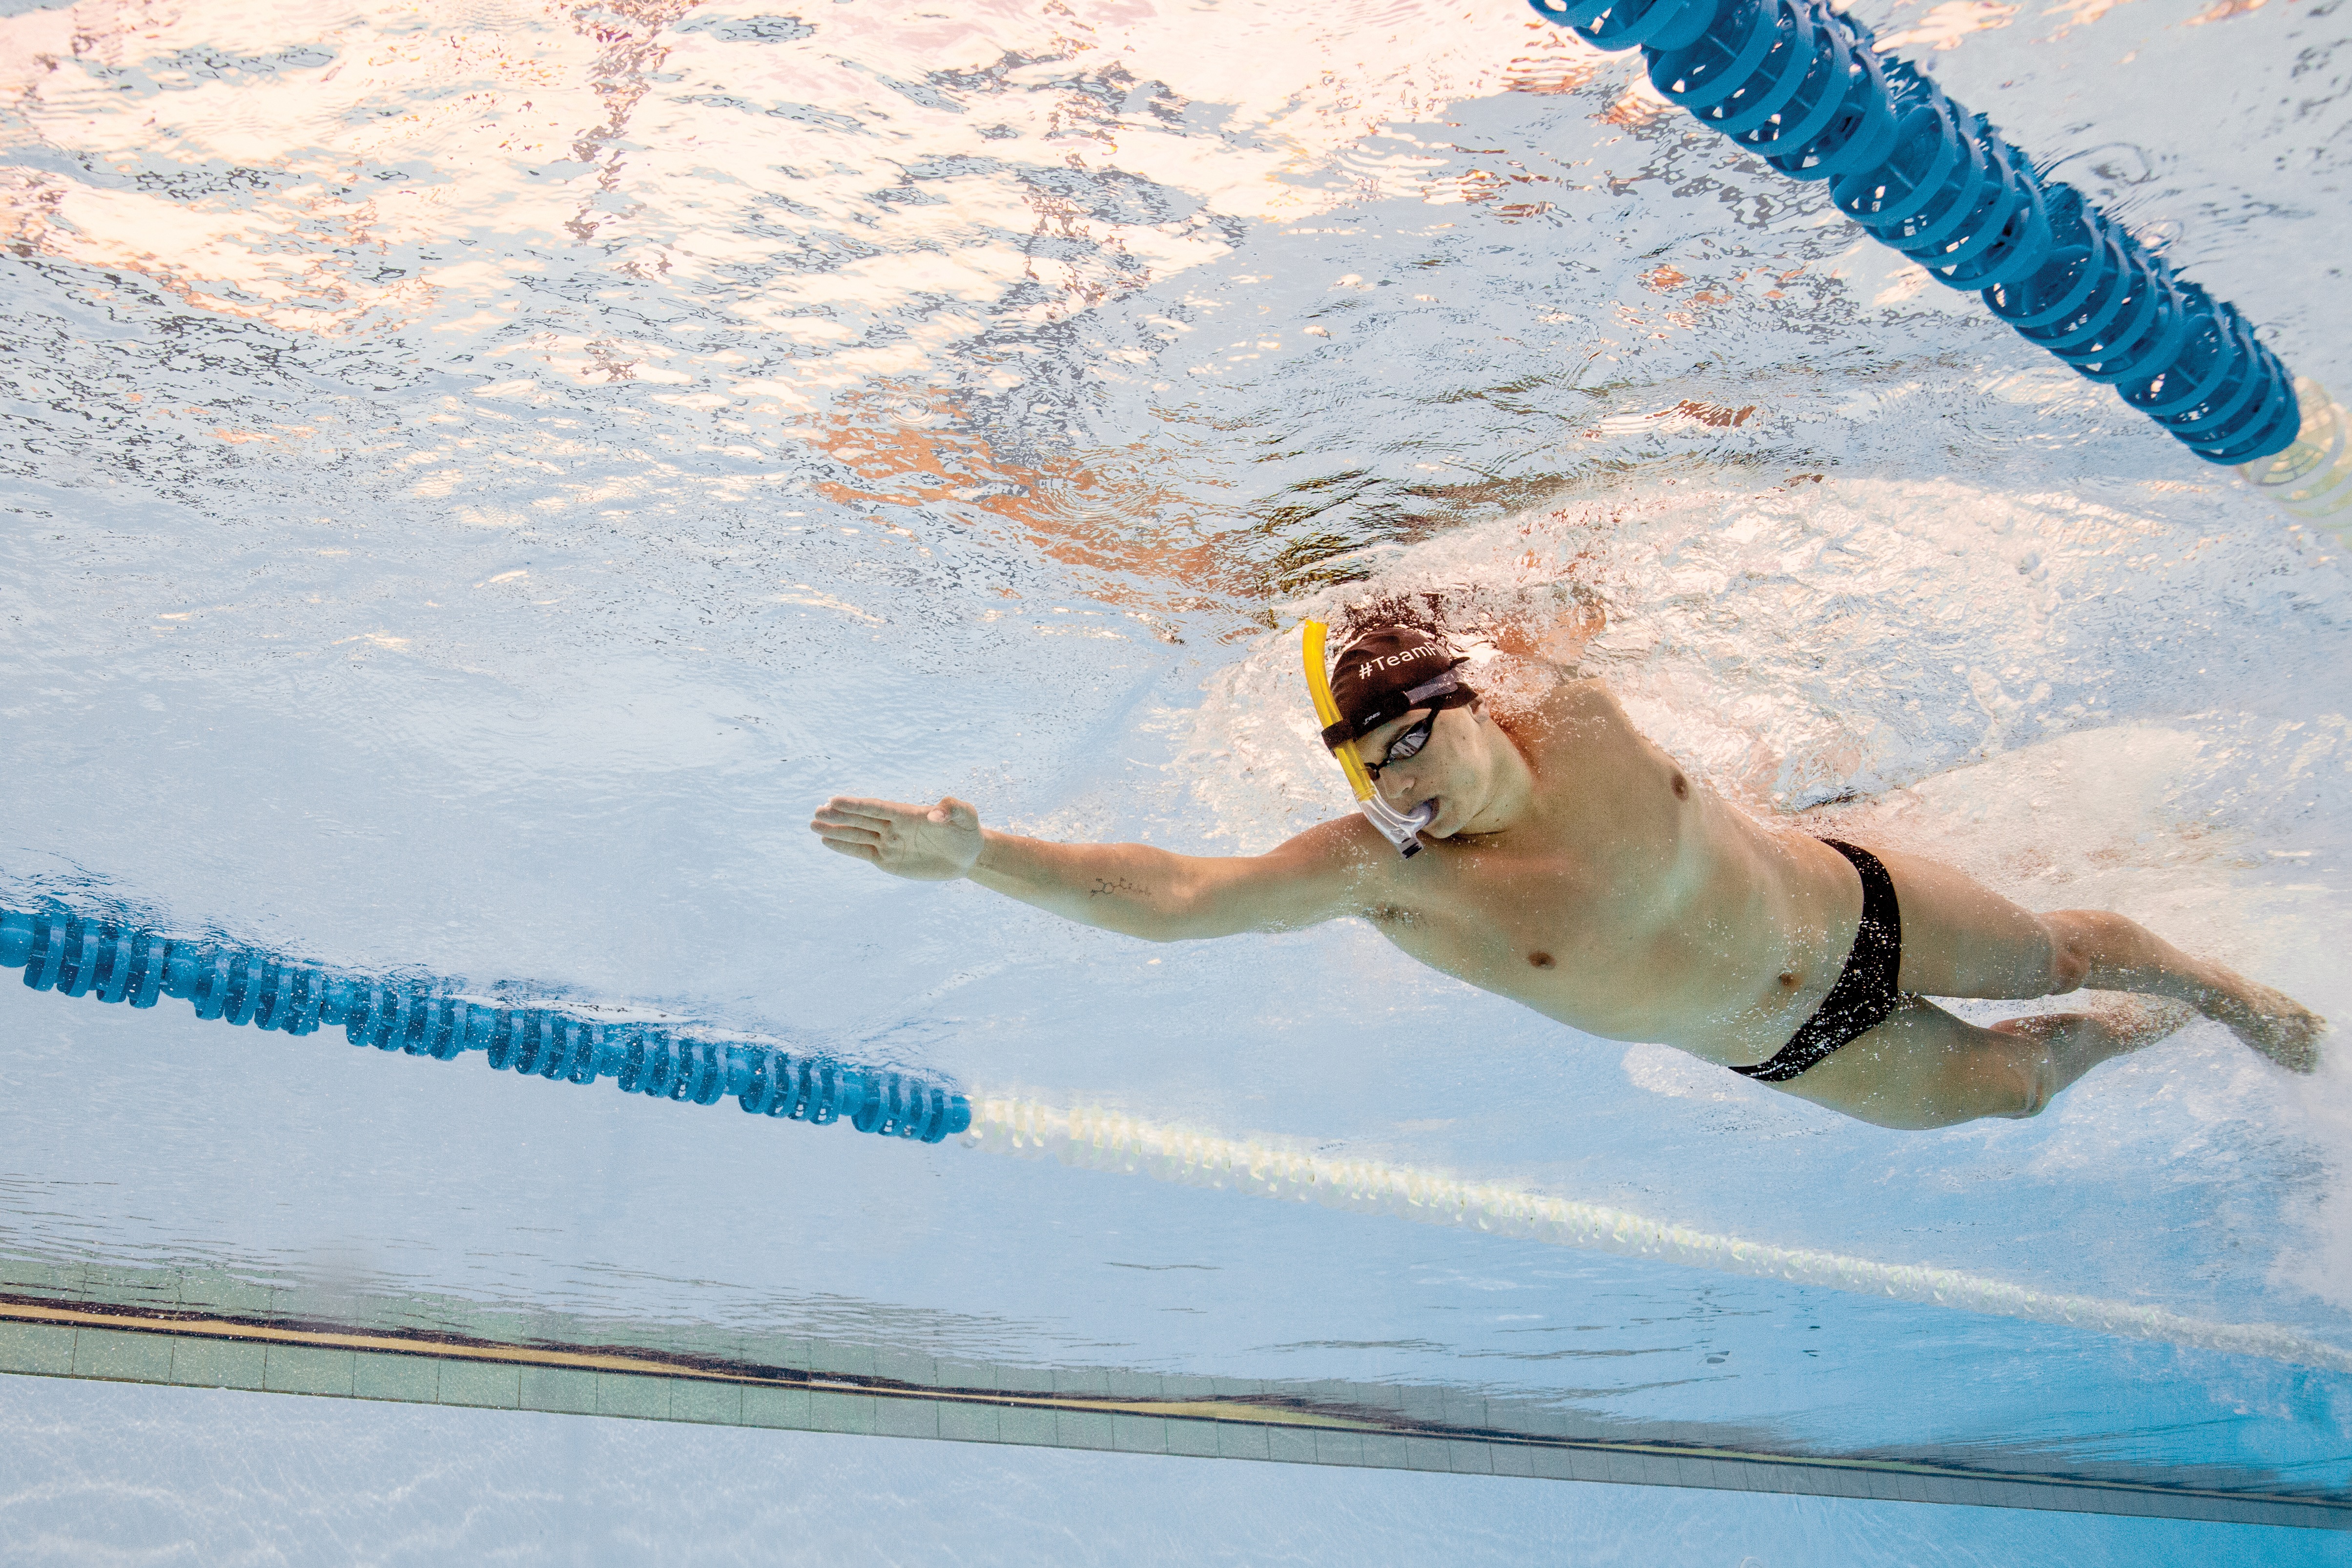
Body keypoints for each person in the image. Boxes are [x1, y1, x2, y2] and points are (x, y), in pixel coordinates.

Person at [809, 619, 2324, 1129]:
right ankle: (2159, 1029)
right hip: (1786, 1044)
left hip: (1857, 903)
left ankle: (2224, 990)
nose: (1401, 775)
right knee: (2016, 1088)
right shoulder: (1385, 876)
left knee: (2065, 945)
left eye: (1414, 733)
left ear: (1473, 702)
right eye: (1373, 759)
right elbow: (1177, 896)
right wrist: (980, 855)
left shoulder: (1578, 711)